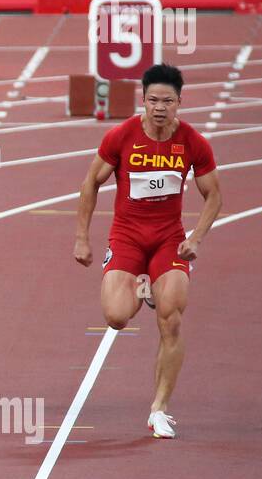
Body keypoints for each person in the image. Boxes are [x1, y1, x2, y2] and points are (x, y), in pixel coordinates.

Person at [74, 63, 221, 439]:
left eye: (167, 101)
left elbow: (213, 195)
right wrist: (82, 237)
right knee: (116, 318)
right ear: (143, 100)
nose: (159, 107)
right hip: (127, 237)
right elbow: (91, 181)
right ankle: (145, 289)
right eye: (153, 100)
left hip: (169, 239)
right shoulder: (121, 136)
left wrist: (197, 237)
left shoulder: (192, 142)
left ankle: (159, 408)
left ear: (179, 103)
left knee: (171, 319)